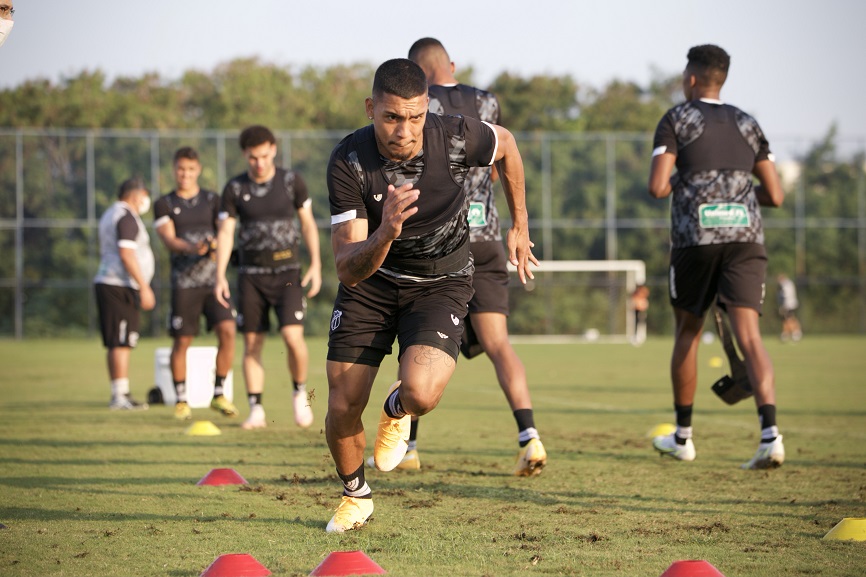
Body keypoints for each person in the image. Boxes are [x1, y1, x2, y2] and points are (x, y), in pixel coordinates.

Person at [324, 58, 537, 533]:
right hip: (371, 284)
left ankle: (397, 409)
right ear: (370, 108)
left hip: (442, 282)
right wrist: (386, 232)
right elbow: (347, 265)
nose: (405, 130)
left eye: (416, 116)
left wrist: (520, 224)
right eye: (392, 117)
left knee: (420, 394)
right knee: (342, 402)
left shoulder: (456, 134)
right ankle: (356, 496)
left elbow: (509, 145)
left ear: (428, 109)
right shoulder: (349, 160)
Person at [404, 37, 546, 476]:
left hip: (441, 240)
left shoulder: (418, 106)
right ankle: (530, 437)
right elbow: (504, 156)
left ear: (417, 74)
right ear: (450, 64)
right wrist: (519, 225)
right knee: (500, 344)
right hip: (486, 239)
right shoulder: (487, 101)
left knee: (415, 340)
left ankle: (407, 447)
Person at [648, 44, 786, 469]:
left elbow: (657, 187)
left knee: (688, 331)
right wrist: (736, 195)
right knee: (750, 335)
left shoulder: (677, 118)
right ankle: (770, 436)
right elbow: (775, 195)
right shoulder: (748, 123)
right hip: (747, 236)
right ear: (720, 79)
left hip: (696, 239)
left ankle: (684, 438)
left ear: (691, 79)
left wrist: (686, 182)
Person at [214, 125, 322, 431]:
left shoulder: (291, 182)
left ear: (273, 150)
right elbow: (225, 233)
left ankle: (300, 392)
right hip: (250, 276)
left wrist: (315, 263)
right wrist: (220, 274)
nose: (259, 163)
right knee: (252, 343)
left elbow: (308, 224)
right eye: (252, 158)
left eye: (263, 156)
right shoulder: (234, 189)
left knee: (292, 336)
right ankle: (256, 409)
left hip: (288, 273)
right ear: (245, 156)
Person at [154, 147, 239, 421]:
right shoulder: (164, 203)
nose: (185, 175)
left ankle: (218, 394)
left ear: (198, 170)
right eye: (181, 169)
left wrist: (214, 245)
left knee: (227, 331)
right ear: (174, 170)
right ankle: (181, 399)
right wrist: (194, 247)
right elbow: (169, 240)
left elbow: (223, 232)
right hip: (184, 284)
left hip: (214, 282)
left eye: (190, 170)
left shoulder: (213, 200)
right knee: (182, 341)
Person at [94, 177, 156, 410]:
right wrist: (144, 286)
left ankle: (122, 393)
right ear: (136, 195)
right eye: (144, 196)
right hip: (118, 284)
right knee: (120, 342)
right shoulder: (126, 216)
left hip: (114, 283)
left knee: (121, 341)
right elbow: (126, 254)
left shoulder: (112, 213)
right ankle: (119, 396)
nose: (145, 201)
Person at [776, 273, 802, 342]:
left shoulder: (785, 284)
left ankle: (795, 333)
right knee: (787, 319)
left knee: (789, 319)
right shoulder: (789, 283)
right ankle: (786, 333)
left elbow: (785, 296)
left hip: (788, 305)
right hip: (790, 304)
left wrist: (783, 306)